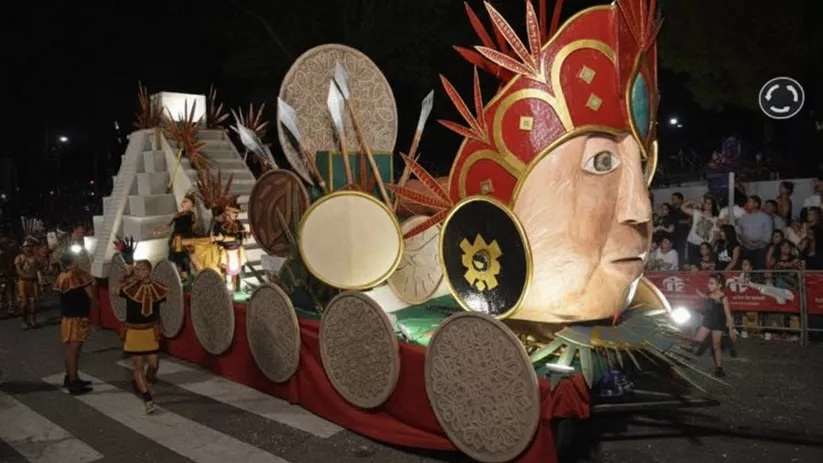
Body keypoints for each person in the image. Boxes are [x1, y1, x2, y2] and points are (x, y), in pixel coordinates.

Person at [111, 238, 168, 414]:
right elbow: (114, 289)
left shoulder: (158, 287)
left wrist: (161, 327)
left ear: (149, 272)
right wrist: (129, 276)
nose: (139, 271)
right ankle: (147, 399)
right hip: (134, 331)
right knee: (137, 367)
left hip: (150, 330)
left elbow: (161, 309)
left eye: (142, 269)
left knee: (153, 364)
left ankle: (149, 380)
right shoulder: (130, 287)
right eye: (137, 269)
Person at [54, 251, 96, 395]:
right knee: (74, 349)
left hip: (67, 317)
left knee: (70, 349)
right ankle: (73, 382)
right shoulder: (79, 275)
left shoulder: (62, 276)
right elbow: (91, 295)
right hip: (77, 317)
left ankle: (71, 377)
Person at [694, 273, 735, 377]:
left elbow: (728, 316)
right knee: (696, 341)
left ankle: (719, 368)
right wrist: (698, 293)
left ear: (719, 285)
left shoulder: (723, 298)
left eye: (712, 283)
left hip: (718, 324)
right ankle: (680, 359)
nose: (709, 285)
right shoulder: (708, 294)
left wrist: (731, 330)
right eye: (708, 283)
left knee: (716, 346)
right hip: (707, 322)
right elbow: (705, 297)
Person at [154, 193, 198, 280]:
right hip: (175, 239)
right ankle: (176, 277)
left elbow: (193, 224)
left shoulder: (190, 215)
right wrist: (159, 231)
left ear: (191, 205)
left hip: (185, 240)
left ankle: (185, 277)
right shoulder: (178, 215)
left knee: (184, 259)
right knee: (174, 258)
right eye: (183, 201)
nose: (183, 202)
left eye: (186, 201)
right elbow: (168, 227)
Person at [212, 202, 249, 292]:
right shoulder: (221, 224)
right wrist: (218, 240)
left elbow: (239, 238)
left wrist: (246, 235)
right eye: (229, 212)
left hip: (236, 250)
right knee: (224, 269)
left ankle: (237, 288)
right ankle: (224, 288)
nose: (231, 215)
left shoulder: (238, 224)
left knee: (238, 271)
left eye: (234, 213)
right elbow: (218, 237)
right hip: (225, 250)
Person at [736, 195, 773, 269]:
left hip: (760, 249)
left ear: (756, 204)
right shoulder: (744, 217)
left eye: (749, 202)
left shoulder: (765, 217)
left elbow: (768, 235)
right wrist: (745, 241)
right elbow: (738, 230)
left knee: (758, 270)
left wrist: (756, 245)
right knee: (746, 269)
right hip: (746, 247)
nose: (747, 204)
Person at [14, 240, 44, 329]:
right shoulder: (19, 258)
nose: (28, 248)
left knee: (33, 301)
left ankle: (33, 320)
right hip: (23, 282)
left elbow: (41, 266)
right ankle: (24, 321)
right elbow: (18, 270)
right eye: (26, 247)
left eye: (29, 246)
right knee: (24, 303)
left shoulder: (35, 257)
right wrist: (27, 275)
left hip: (33, 281)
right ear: (23, 248)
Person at [681, 195, 718, 265]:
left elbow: (715, 235)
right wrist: (693, 201)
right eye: (705, 203)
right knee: (692, 264)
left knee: (704, 265)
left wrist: (710, 248)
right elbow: (683, 207)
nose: (707, 205)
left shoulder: (715, 219)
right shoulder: (697, 213)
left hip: (705, 246)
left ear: (712, 205)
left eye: (709, 203)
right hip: (692, 242)